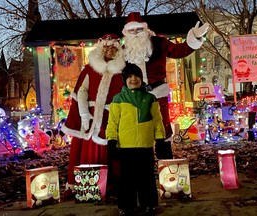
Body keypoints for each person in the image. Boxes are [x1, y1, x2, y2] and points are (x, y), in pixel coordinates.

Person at [122, 12, 209, 159]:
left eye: (138, 29)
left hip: (157, 94)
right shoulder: (124, 50)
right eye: (132, 30)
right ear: (126, 32)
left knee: (162, 128)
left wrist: (195, 37)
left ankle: (166, 165)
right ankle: (144, 165)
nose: (135, 33)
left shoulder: (158, 43)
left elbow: (180, 51)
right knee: (140, 129)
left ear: (144, 29)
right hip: (135, 97)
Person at [61, 33, 126, 197]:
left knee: (112, 148)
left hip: (111, 116)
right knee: (89, 149)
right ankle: (86, 187)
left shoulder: (122, 70)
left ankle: (111, 184)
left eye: (113, 47)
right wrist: (84, 114)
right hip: (90, 116)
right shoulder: (90, 68)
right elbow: (81, 92)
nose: (109, 50)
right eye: (107, 47)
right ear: (101, 48)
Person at [106, 63, 165, 216]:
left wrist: (159, 140)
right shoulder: (118, 99)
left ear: (141, 78)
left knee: (147, 178)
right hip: (126, 148)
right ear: (124, 80)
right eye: (130, 76)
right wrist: (112, 142)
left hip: (145, 147)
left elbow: (158, 121)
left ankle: (149, 204)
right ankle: (126, 206)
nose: (133, 79)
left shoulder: (150, 98)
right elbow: (112, 123)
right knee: (126, 180)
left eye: (136, 76)